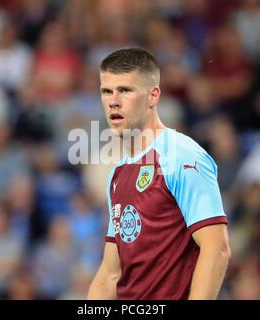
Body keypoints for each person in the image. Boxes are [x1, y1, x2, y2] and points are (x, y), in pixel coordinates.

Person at [87, 48, 231, 300]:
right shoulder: (118, 174)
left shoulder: (181, 155)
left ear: (153, 96)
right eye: (106, 91)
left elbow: (216, 249)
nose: (113, 101)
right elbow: (111, 273)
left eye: (126, 90)